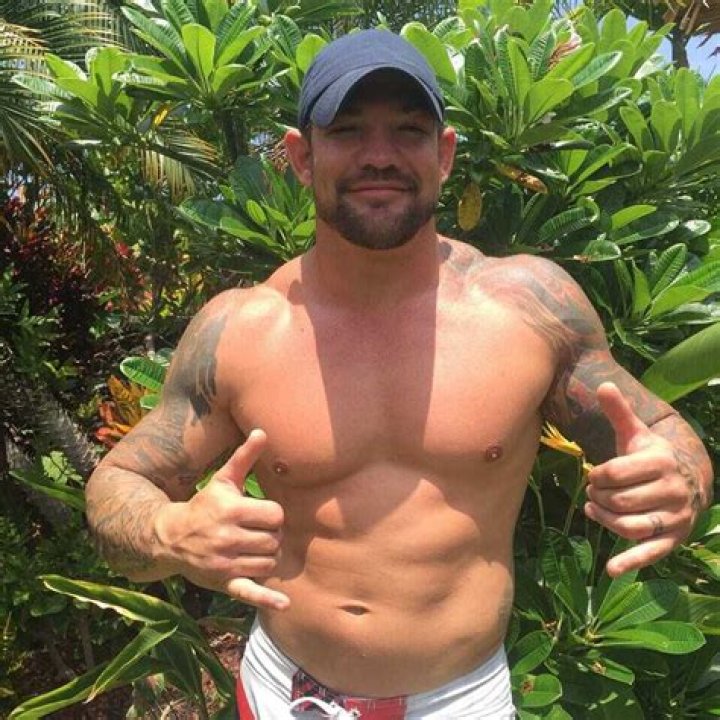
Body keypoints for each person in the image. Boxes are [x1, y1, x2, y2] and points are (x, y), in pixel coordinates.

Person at [85, 29, 714, 720]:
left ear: (443, 154)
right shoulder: (241, 329)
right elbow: (119, 485)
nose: (379, 155)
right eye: (348, 130)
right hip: (287, 694)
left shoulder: (531, 308)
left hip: (463, 701)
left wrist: (680, 480)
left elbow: (658, 431)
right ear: (301, 156)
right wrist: (169, 533)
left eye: (409, 131)